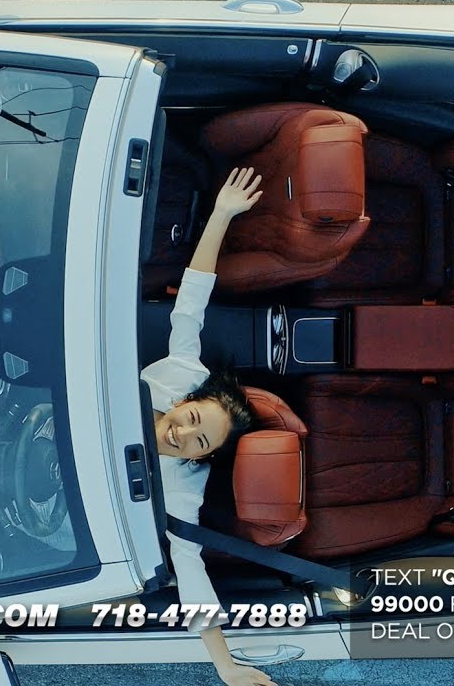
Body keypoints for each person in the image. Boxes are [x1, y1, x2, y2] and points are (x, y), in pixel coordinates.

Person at [140, 166, 278, 686]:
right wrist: (221, 214)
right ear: (187, 401)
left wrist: (224, 664)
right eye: (193, 419)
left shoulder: (183, 486)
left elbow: (190, 568)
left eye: (198, 442)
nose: (182, 434)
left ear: (200, 457)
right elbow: (192, 301)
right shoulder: (180, 372)